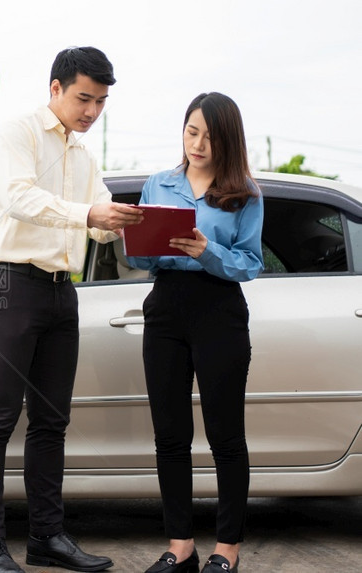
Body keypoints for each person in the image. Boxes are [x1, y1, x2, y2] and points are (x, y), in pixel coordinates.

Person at [0, 46, 144, 573]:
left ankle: (47, 537)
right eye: (84, 98)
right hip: (7, 284)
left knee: (51, 422)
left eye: (101, 102)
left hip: (60, 290)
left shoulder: (85, 157)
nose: (92, 111)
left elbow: (93, 220)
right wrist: (88, 211)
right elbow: (20, 198)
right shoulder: (15, 135)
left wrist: (124, 221)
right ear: (55, 89)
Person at [126, 92, 264, 573]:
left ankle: (227, 550)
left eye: (210, 135)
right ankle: (180, 546)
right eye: (191, 131)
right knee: (170, 436)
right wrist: (138, 240)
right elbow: (140, 259)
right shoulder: (158, 184)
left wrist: (206, 250)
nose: (199, 144)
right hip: (165, 308)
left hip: (219, 309)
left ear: (228, 140)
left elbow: (250, 263)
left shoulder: (244, 192)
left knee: (226, 436)